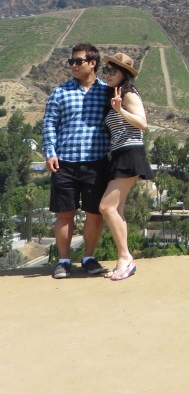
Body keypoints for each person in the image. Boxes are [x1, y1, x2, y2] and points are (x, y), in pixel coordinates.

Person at [43, 44, 111, 279]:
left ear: (93, 63)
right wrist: (50, 152)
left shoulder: (107, 92)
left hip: (96, 162)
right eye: (71, 61)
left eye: (78, 61)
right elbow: (50, 123)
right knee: (65, 214)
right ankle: (63, 261)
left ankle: (89, 258)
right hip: (65, 163)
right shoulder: (60, 92)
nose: (73, 65)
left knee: (95, 214)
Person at [97, 52, 153, 281]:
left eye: (113, 71)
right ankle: (123, 260)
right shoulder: (116, 94)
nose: (108, 75)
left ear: (124, 74)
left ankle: (125, 257)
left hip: (130, 154)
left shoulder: (128, 94)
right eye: (106, 70)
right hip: (120, 155)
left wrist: (120, 110)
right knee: (117, 209)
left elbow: (143, 124)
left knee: (106, 207)